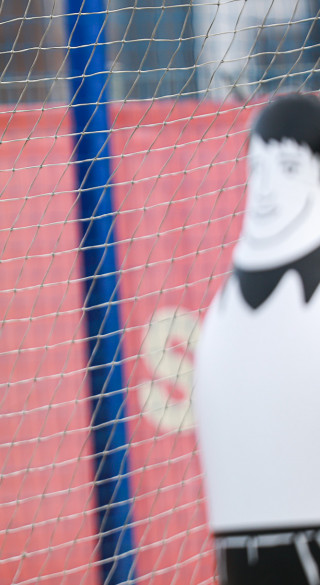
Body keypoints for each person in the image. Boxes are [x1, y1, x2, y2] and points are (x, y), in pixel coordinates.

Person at [193, 93, 320, 585]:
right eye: (260, 169)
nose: (266, 189)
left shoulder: (223, 316)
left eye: (286, 168)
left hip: (241, 553)